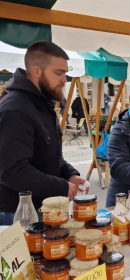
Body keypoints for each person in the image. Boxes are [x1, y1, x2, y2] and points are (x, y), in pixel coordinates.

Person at [0, 41, 86, 225]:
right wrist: (61, 186)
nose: (65, 79)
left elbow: (48, 155)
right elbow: (11, 170)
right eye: (59, 73)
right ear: (37, 71)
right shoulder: (15, 109)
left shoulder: (42, 105)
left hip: (42, 209)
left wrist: (69, 174)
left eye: (65, 72)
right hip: (16, 216)